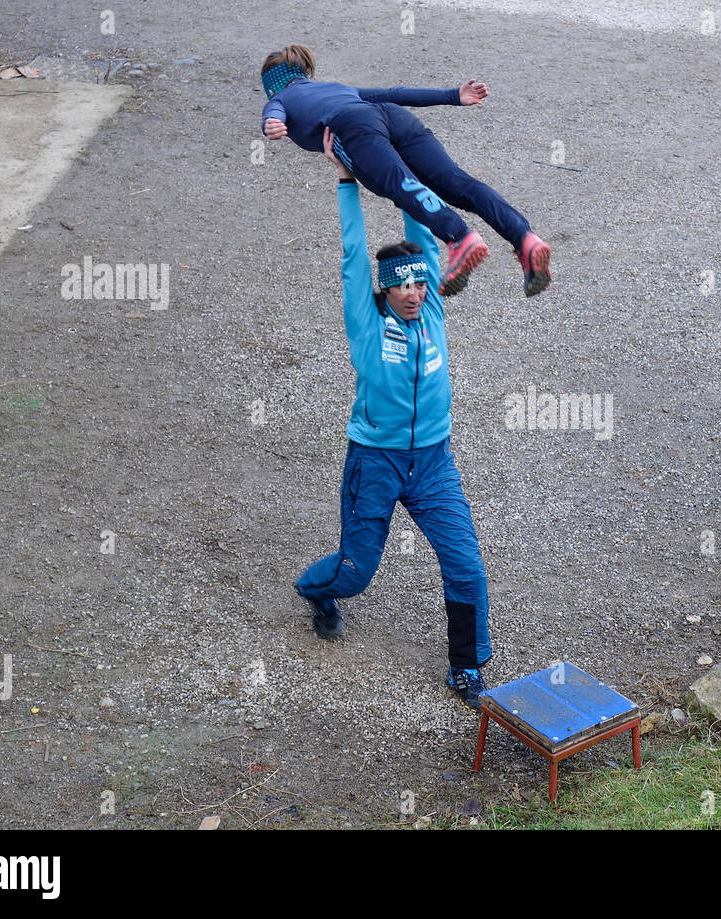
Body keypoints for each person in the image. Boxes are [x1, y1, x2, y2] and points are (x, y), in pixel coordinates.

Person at [294, 126, 493, 712]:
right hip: (374, 460)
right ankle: (314, 589)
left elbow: (423, 235)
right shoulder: (366, 318)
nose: (411, 291)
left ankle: (466, 667)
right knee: (355, 573)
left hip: (433, 461)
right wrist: (347, 181)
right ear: (382, 293)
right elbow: (355, 256)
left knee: (466, 567)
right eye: (399, 285)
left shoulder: (431, 306)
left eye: (417, 282)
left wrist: (402, 170)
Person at [259, 44, 551, 298]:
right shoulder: (336, 88)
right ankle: (524, 239)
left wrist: (271, 124)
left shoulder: (279, 99)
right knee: (454, 181)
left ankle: (460, 237)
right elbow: (394, 93)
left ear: (271, 84)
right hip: (393, 116)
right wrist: (452, 95)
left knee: (403, 185)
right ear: (301, 73)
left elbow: (273, 115)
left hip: (356, 130)